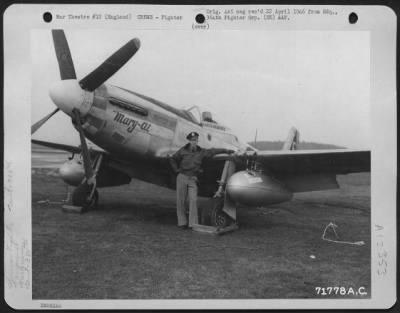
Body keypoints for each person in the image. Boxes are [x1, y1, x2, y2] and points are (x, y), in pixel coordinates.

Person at [170, 131, 234, 229]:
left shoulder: (201, 152)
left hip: (192, 179)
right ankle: (182, 223)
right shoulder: (182, 150)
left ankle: (193, 224)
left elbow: (213, 151)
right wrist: (177, 170)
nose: (194, 142)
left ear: (197, 141)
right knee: (180, 201)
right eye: (192, 140)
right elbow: (173, 158)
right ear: (189, 141)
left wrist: (225, 150)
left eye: (195, 140)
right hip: (182, 177)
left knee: (193, 200)